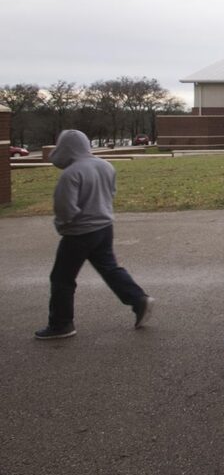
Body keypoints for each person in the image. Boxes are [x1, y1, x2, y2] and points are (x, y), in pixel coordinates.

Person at [36, 130, 153, 340]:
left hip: (79, 232)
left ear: (66, 147)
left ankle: (61, 324)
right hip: (104, 227)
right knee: (110, 268)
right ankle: (138, 299)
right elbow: (111, 193)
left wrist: (62, 225)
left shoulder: (71, 174)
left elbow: (65, 209)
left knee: (62, 278)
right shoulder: (105, 165)